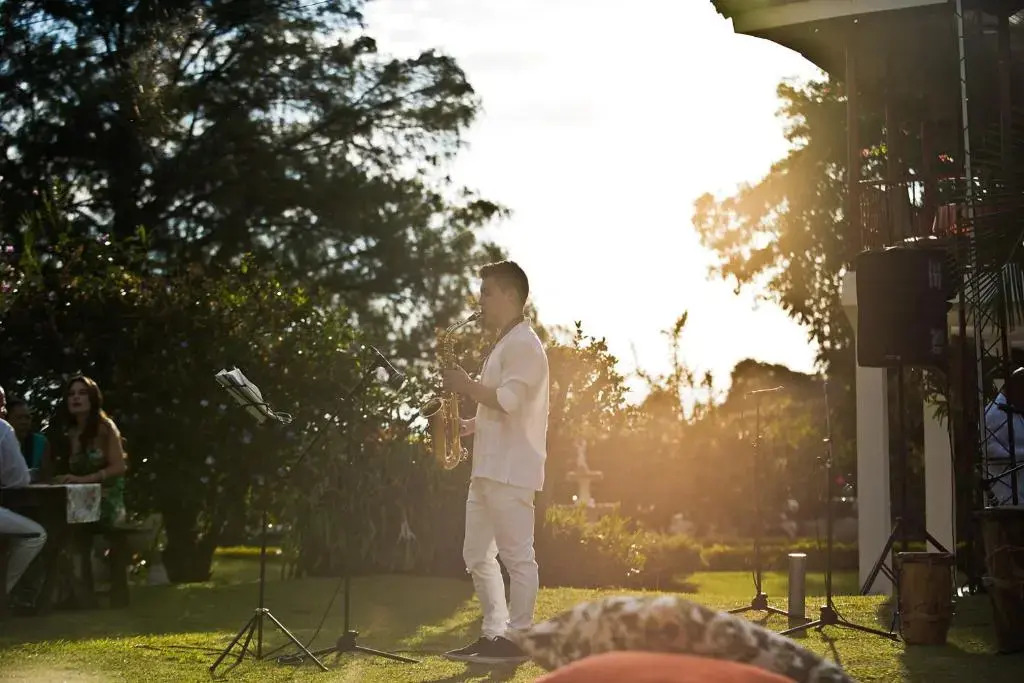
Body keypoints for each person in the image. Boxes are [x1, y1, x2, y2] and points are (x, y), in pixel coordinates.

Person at [441, 260, 550, 665]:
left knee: (518, 558)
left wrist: (465, 385)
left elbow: (509, 401)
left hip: (511, 470)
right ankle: (493, 634)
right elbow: (498, 407)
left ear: (510, 294)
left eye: (486, 292)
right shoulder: (506, 343)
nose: (480, 300)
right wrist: (470, 424)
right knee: (476, 555)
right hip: (487, 469)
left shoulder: (524, 344)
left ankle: (517, 638)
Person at [0, 385, 48, 596]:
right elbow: (19, 479)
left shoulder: (38, 441)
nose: (3, 410)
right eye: (2, 405)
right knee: (36, 534)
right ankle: (3, 592)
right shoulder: (3, 429)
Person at [982, 366, 1024, 505]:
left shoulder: (1015, 410)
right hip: (1006, 496)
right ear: (1016, 389)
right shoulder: (993, 414)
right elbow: (991, 451)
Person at [5, 397, 51, 482]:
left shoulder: (41, 443)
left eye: (27, 418)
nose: (24, 422)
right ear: (6, 420)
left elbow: (46, 479)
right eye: (19, 418)